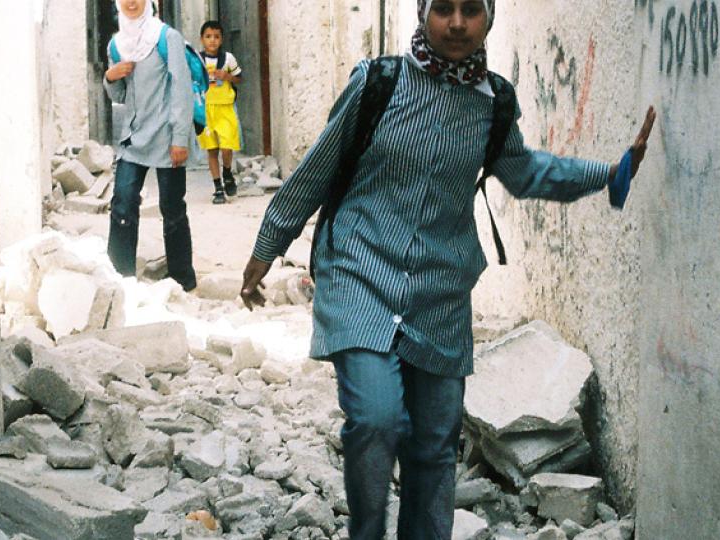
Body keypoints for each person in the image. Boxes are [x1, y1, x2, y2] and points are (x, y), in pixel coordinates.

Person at [240, 0, 657, 537]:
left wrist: (610, 173)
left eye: (470, 10)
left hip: (441, 289)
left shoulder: (494, 101)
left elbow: (525, 172)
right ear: (422, 13)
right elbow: (318, 168)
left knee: (435, 446)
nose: (456, 23)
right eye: (442, 8)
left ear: (488, 18)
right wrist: (267, 245)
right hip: (357, 272)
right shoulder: (378, 82)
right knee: (375, 418)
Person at [103, 0, 197, 291]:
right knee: (122, 204)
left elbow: (181, 88)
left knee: (172, 208)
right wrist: (110, 76)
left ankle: (182, 278)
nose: (131, 3)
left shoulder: (166, 37)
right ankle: (120, 279)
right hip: (133, 139)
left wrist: (180, 138)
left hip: (167, 137)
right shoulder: (117, 44)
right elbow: (119, 96)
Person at [196, 20, 244, 204]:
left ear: (222, 39)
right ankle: (217, 187)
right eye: (208, 37)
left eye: (216, 37)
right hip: (206, 111)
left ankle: (227, 171)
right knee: (212, 149)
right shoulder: (198, 60)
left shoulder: (228, 59)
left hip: (225, 108)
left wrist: (227, 76)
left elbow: (239, 78)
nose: (212, 41)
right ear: (202, 39)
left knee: (226, 147)